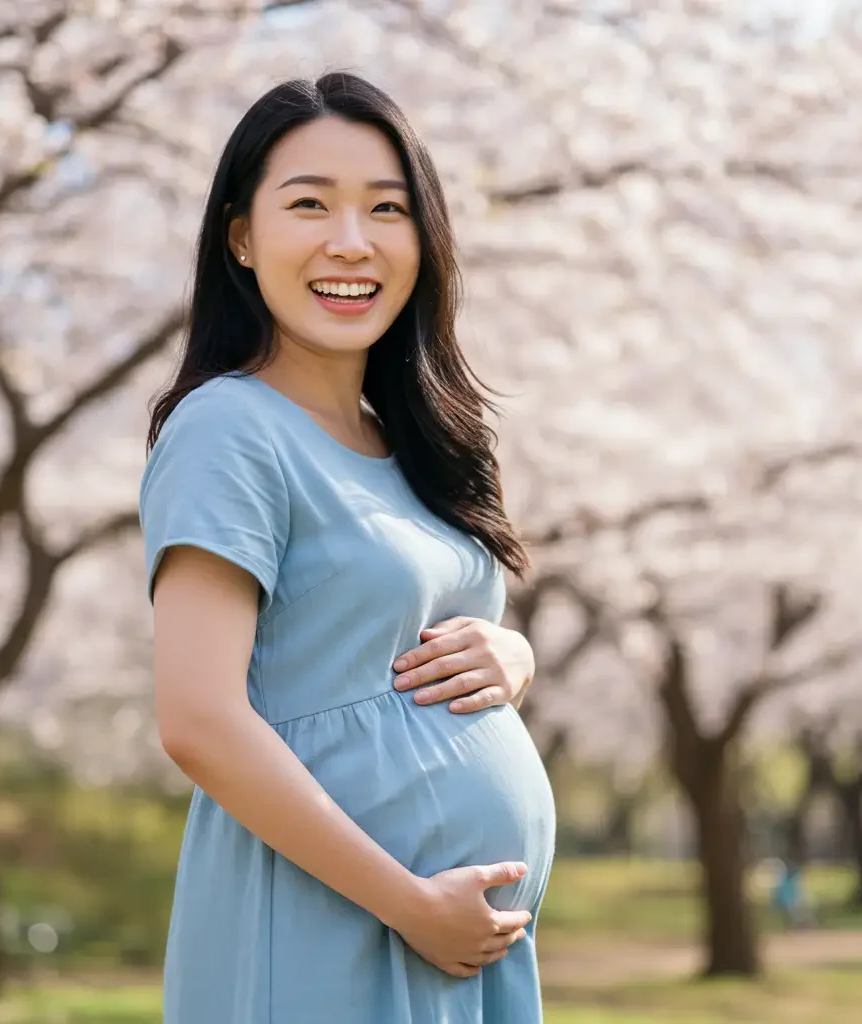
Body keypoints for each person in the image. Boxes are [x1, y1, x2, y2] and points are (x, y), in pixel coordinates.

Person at [138, 72, 556, 1023]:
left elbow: (391, 628)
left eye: (386, 209)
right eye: (310, 206)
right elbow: (197, 718)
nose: (351, 242)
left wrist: (513, 654)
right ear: (241, 236)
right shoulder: (227, 428)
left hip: (450, 946)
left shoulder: (415, 439)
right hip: (330, 925)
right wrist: (410, 904)